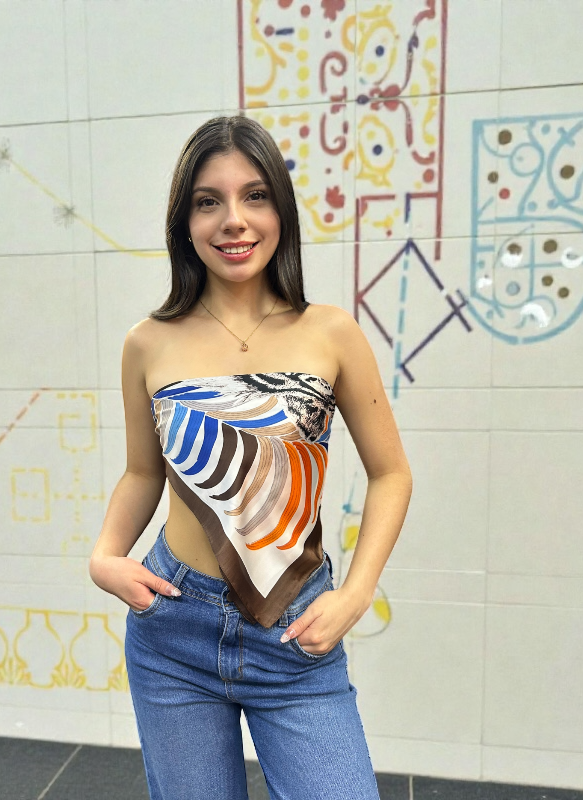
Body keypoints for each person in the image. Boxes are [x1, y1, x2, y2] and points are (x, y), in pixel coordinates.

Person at [89, 115, 413, 800]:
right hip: (174, 629)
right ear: (185, 223)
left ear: (280, 212)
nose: (233, 220)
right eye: (208, 201)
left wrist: (356, 594)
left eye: (255, 196)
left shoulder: (331, 332)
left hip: (296, 629)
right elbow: (143, 472)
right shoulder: (147, 343)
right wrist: (104, 556)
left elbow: (391, 474)